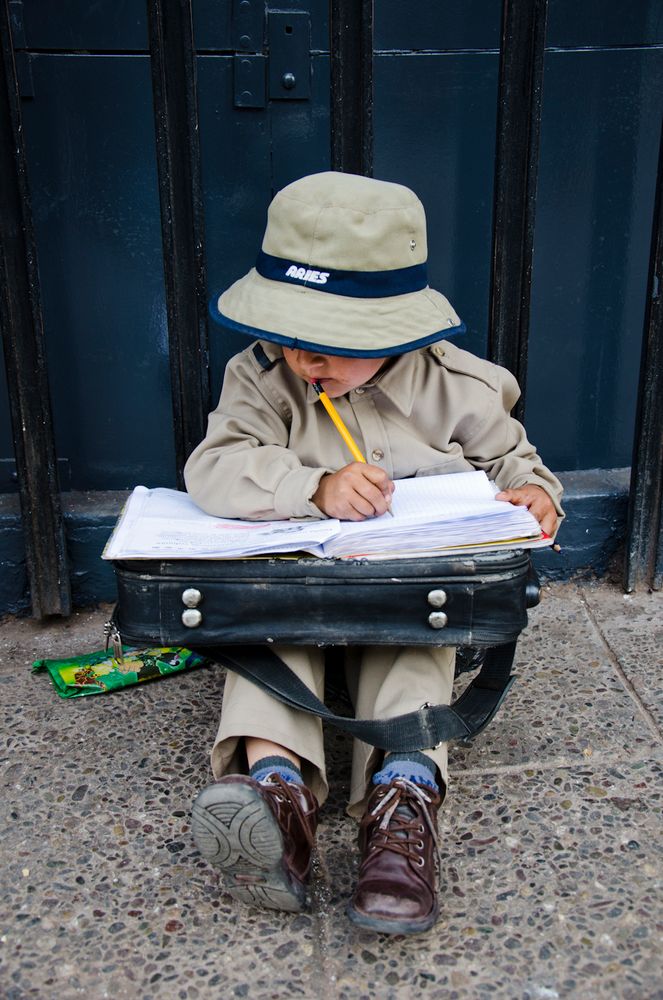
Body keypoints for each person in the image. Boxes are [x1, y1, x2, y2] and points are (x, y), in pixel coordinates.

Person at [184, 171, 563, 935]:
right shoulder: (258, 380)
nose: (299, 359)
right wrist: (311, 485)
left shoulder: (458, 386)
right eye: (286, 335)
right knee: (263, 641)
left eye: (324, 344)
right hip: (297, 591)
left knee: (419, 642)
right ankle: (274, 795)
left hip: (405, 597)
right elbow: (212, 467)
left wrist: (533, 494)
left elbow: (513, 461)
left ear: (395, 331)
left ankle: (401, 800)